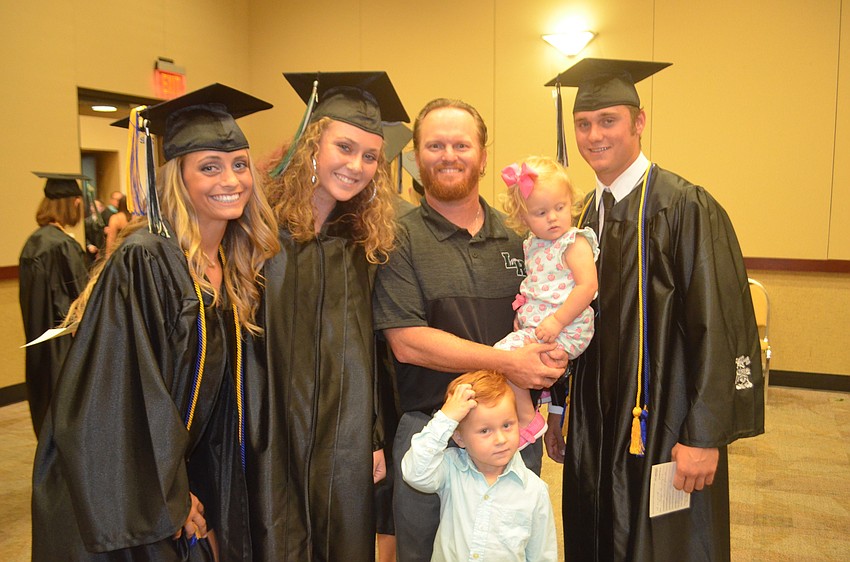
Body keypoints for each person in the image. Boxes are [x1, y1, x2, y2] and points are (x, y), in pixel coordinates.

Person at [31, 83, 279, 561]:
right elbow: (119, 394)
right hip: (119, 492)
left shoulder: (233, 263)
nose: (231, 179)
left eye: (239, 164)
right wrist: (170, 494)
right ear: (176, 179)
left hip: (175, 478)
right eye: (209, 167)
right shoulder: (146, 259)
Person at [542, 58, 765, 561]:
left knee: (666, 545)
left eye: (608, 121)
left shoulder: (685, 207)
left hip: (663, 425)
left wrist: (704, 436)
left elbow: (720, 325)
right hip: (594, 429)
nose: (594, 135)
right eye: (583, 123)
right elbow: (560, 316)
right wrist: (558, 408)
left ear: (639, 122)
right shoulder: (577, 217)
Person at [372, 98, 568, 561]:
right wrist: (506, 362)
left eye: (461, 144)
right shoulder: (396, 236)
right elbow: (406, 342)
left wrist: (554, 357)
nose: (448, 155)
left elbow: (551, 311)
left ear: (483, 155)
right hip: (433, 434)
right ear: (416, 156)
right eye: (434, 145)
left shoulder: (523, 234)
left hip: (511, 431)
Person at [249, 71, 406, 561]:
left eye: (369, 156)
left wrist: (375, 436)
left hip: (343, 430)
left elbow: (370, 350)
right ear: (311, 144)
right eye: (344, 147)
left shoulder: (362, 242)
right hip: (268, 427)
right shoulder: (258, 233)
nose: (355, 165)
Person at [494, 156, 598, 449]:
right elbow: (540, 286)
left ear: (571, 204)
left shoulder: (574, 242)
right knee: (508, 359)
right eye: (541, 212)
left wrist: (557, 320)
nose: (553, 217)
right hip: (544, 324)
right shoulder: (533, 244)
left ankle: (528, 418)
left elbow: (588, 286)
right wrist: (524, 311)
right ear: (524, 219)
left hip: (569, 326)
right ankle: (533, 406)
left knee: (502, 356)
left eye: (560, 208)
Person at [401, 369, 557, 561]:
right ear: (459, 437)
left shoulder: (534, 491)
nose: (500, 439)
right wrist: (446, 418)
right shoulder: (451, 468)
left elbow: (542, 554)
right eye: (485, 430)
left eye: (507, 425)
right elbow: (415, 473)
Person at [18, 172, 89, 438]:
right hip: (63, 350)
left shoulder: (33, 242)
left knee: (46, 412)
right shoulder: (63, 246)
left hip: (39, 347)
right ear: (73, 204)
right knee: (67, 416)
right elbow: (78, 303)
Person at [104, 191, 130, 256]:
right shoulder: (136, 218)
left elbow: (111, 240)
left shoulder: (116, 218)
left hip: (120, 252)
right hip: (133, 251)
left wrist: (108, 257)